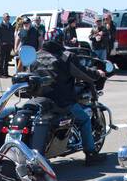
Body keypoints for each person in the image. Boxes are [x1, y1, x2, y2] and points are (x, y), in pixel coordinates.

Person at [32, 36, 100, 164]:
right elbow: (82, 72)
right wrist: (96, 73)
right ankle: (91, 154)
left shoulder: (35, 56)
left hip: (39, 100)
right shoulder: (65, 57)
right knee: (84, 119)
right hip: (61, 101)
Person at [0, 13, 15, 77]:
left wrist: (12, 42)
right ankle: (1, 73)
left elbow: (12, 35)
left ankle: (6, 73)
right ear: (3, 18)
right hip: (3, 45)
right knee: (2, 59)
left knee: (7, 59)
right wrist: (1, 42)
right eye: (7, 17)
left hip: (9, 45)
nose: (8, 18)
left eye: (8, 17)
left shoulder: (10, 26)